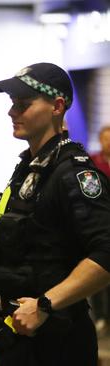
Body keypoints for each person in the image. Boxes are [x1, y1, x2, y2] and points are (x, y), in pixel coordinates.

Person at [0, 62, 110, 365]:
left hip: (59, 341)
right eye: (13, 103)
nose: (12, 112)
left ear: (57, 106)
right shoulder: (30, 168)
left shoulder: (74, 174)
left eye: (23, 104)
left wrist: (45, 305)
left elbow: (106, 252)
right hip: (21, 338)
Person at [91, 125, 110, 334]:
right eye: (105, 139)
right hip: (99, 224)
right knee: (97, 270)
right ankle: (100, 317)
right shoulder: (92, 162)